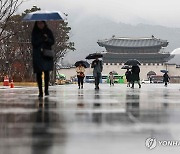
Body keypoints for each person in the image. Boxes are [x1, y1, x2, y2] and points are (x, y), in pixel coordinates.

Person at [31, 21, 55, 97]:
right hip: (38, 55)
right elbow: (33, 43)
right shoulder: (34, 32)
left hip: (46, 55)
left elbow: (52, 42)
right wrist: (41, 39)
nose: (40, 25)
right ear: (36, 24)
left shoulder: (48, 31)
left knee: (46, 72)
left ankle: (46, 90)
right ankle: (40, 91)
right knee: (38, 73)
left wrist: (47, 39)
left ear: (44, 23)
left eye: (42, 23)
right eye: (38, 23)